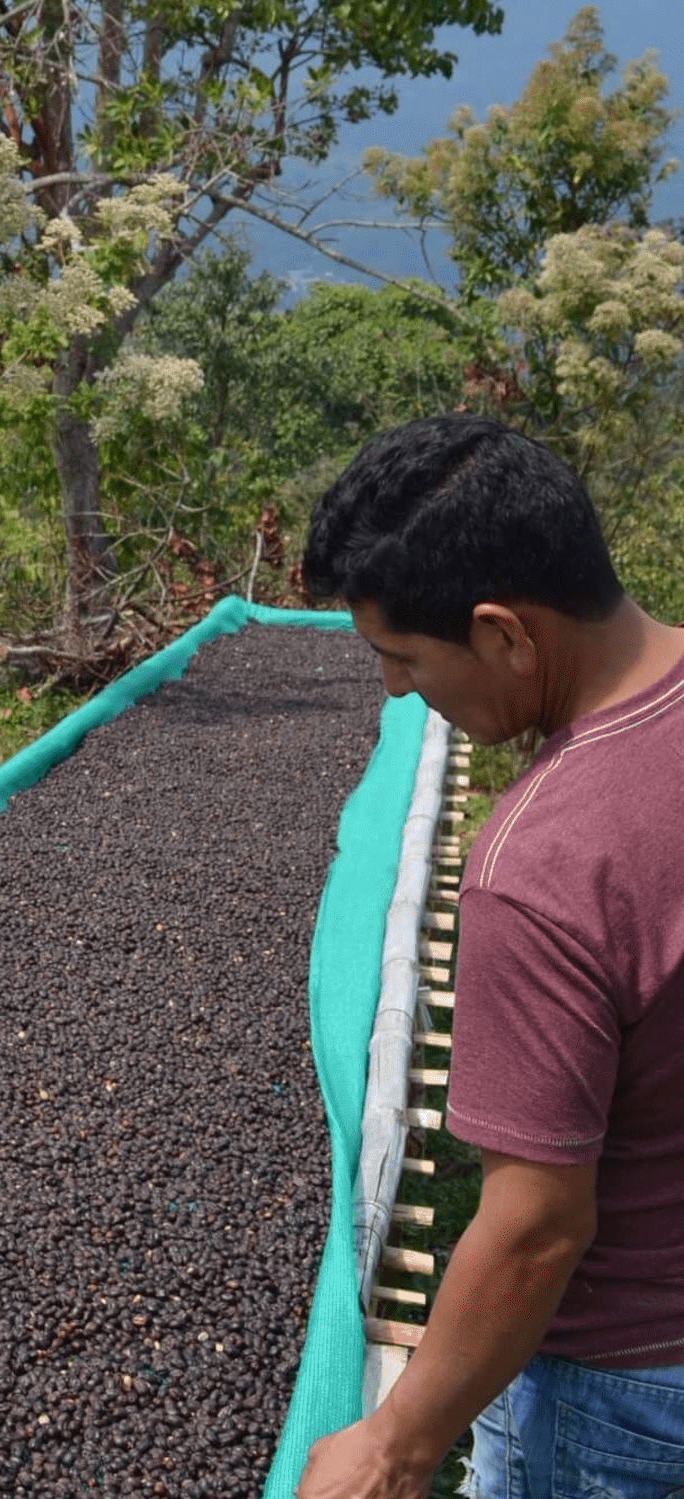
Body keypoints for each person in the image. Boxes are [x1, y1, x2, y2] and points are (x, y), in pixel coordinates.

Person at [295, 413, 684, 1499]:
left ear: (504, 634)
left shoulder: (540, 865)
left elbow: (533, 1224)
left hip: (625, 1397)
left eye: (404, 659)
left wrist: (392, 1443)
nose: (393, 693)